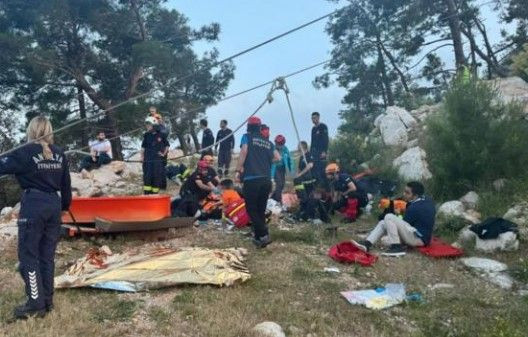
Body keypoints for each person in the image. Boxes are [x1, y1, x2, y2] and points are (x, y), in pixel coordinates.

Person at [0, 116, 72, 320]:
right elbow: (66, 185)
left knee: (28, 256)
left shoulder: (23, 152)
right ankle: (47, 301)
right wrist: (65, 207)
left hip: (34, 205)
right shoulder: (59, 153)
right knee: (46, 256)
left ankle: (35, 304)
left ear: (31, 131)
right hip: (53, 205)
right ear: (49, 130)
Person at [351, 181, 436, 257]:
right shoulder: (426, 200)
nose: (404, 194)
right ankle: (367, 243)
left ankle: (396, 247)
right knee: (383, 222)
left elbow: (404, 223)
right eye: (404, 191)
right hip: (420, 235)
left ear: (415, 195)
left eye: (407, 193)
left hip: (419, 239)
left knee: (389, 217)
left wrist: (397, 214)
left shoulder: (414, 207)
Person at [236, 116, 280, 248]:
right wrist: (266, 162)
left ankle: (264, 234)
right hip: (266, 180)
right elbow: (278, 158)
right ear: (260, 127)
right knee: (260, 210)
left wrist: (238, 170)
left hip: (252, 179)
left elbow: (244, 151)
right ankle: (258, 238)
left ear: (249, 126)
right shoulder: (269, 143)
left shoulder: (247, 137)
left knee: (251, 209)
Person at [141, 116, 169, 194]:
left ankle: (154, 195)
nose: (147, 126)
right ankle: (147, 194)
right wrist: (142, 157)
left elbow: (167, 145)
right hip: (147, 160)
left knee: (156, 177)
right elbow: (143, 147)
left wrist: (164, 154)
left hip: (157, 161)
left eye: (148, 124)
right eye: (146, 124)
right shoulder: (146, 135)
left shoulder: (161, 135)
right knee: (147, 177)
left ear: (154, 125)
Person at [293, 141, 317, 221]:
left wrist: (300, 175)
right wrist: (297, 174)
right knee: (304, 197)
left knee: (310, 198)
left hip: (311, 179)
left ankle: (311, 215)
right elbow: (299, 169)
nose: (297, 148)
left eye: (299, 147)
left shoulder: (309, 155)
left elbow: (310, 165)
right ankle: (303, 214)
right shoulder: (301, 157)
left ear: (303, 147)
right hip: (303, 180)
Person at [270, 135, 292, 203]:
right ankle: (278, 201)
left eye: (280, 144)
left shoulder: (285, 149)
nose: (279, 145)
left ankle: (272, 199)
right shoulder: (273, 149)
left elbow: (289, 160)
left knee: (282, 184)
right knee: (279, 184)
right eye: (277, 144)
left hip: (282, 168)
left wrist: (291, 170)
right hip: (275, 168)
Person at [310, 112, 329, 185]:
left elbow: (325, 139)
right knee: (315, 170)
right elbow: (312, 141)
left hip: (321, 152)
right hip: (314, 153)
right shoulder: (313, 129)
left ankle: (326, 188)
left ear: (318, 118)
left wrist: (324, 151)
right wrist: (310, 153)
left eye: (314, 118)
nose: (313, 120)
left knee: (322, 170)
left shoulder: (323, 126)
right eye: (312, 118)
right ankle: (318, 186)